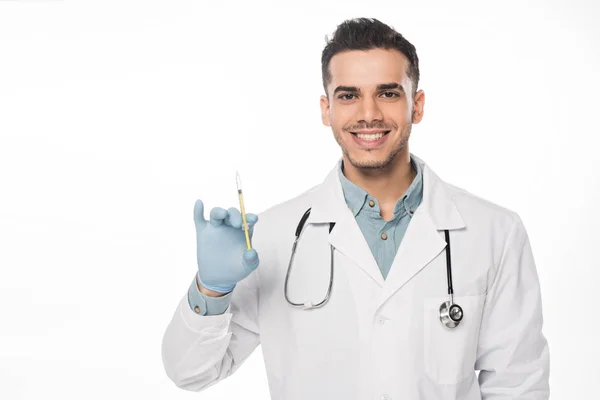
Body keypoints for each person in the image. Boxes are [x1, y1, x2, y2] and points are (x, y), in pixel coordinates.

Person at [161, 17, 550, 400]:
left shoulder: (494, 232)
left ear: (417, 105)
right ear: (326, 109)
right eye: (348, 95)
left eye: (388, 93)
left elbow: (518, 386)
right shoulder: (274, 237)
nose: (369, 114)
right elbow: (190, 372)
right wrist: (211, 288)